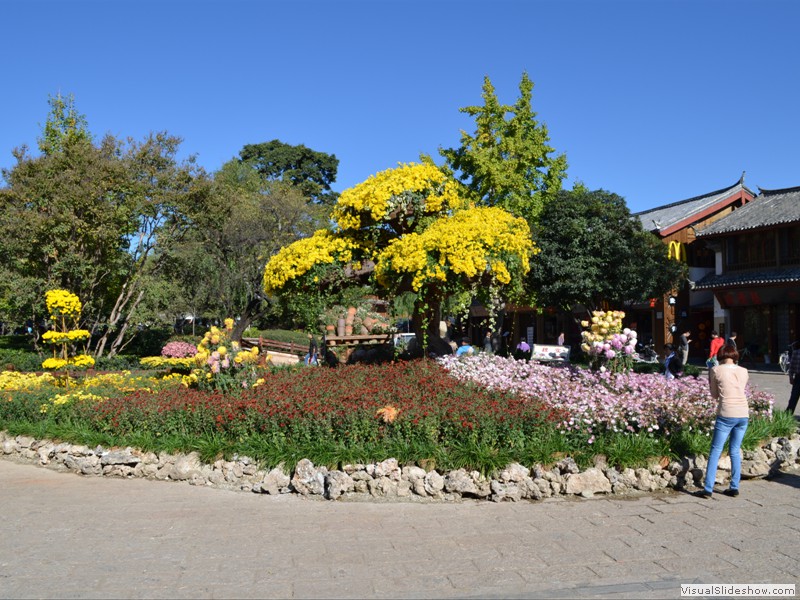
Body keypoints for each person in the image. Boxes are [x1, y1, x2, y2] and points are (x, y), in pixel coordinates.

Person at [696, 343, 749, 498]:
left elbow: (714, 395)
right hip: (743, 413)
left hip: (726, 412)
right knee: (735, 450)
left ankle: (708, 488)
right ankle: (734, 486)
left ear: (720, 356)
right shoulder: (744, 371)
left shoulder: (715, 370)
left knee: (716, 451)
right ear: (734, 355)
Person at [787, 343, 800, 415]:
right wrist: (791, 377)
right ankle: (787, 416)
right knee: (793, 398)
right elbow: (791, 366)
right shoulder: (796, 352)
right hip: (798, 378)